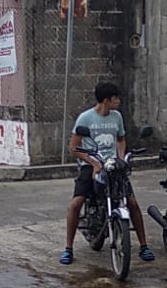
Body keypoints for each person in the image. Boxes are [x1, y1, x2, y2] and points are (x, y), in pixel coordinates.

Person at [60, 80, 155, 266]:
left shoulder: (117, 117)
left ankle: (144, 246)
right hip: (91, 165)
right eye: (115, 98)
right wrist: (93, 163)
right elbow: (74, 147)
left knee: (132, 203)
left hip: (113, 166)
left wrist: (121, 159)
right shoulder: (85, 119)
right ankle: (68, 248)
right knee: (76, 203)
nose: (118, 101)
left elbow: (120, 140)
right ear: (106, 100)